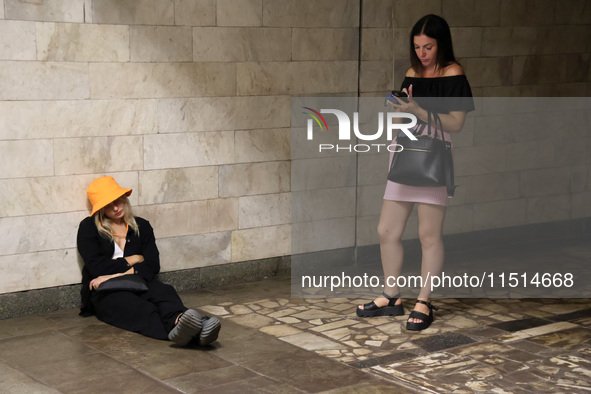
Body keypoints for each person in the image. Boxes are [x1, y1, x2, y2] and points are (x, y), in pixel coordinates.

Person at [356, 14, 475, 331]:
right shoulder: (412, 72)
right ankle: (392, 296)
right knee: (386, 230)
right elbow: (404, 114)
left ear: (441, 44)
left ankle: (424, 300)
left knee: (428, 235)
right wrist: (399, 112)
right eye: (418, 47)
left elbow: (457, 123)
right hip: (405, 151)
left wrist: (419, 111)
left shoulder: (453, 73)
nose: (422, 53)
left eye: (429, 47)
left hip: (435, 154)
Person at [77, 176, 221, 346]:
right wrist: (134, 259)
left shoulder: (142, 226)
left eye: (117, 201)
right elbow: (97, 267)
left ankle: (179, 320)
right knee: (138, 308)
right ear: (100, 209)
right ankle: (197, 333)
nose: (115, 208)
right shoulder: (89, 227)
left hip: (138, 281)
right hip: (104, 291)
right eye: (108, 205)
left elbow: (152, 265)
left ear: (124, 198)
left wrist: (112, 275)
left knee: (165, 292)